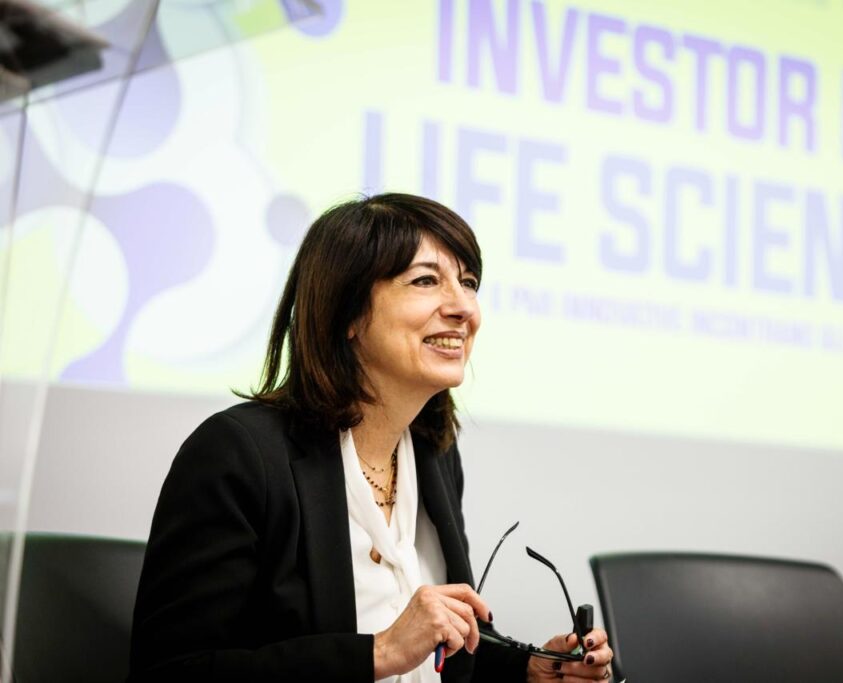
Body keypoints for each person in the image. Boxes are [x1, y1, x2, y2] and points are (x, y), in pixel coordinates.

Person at [128, 193, 615, 682]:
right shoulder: (238, 454)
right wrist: (377, 653)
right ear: (349, 314)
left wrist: (529, 670)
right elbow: (170, 672)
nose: (464, 307)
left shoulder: (435, 457)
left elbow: (439, 655)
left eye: (468, 283)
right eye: (426, 280)